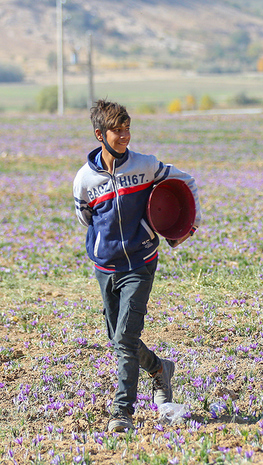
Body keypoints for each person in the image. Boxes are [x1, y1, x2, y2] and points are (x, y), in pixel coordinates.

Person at [72, 99, 200, 433]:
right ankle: (159, 369)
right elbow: (85, 216)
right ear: (100, 134)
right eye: (118, 130)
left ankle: (122, 413)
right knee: (117, 338)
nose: (125, 135)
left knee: (126, 341)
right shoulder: (85, 180)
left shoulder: (144, 166)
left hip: (141, 262)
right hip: (106, 268)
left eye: (127, 127)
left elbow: (186, 182)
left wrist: (185, 228)